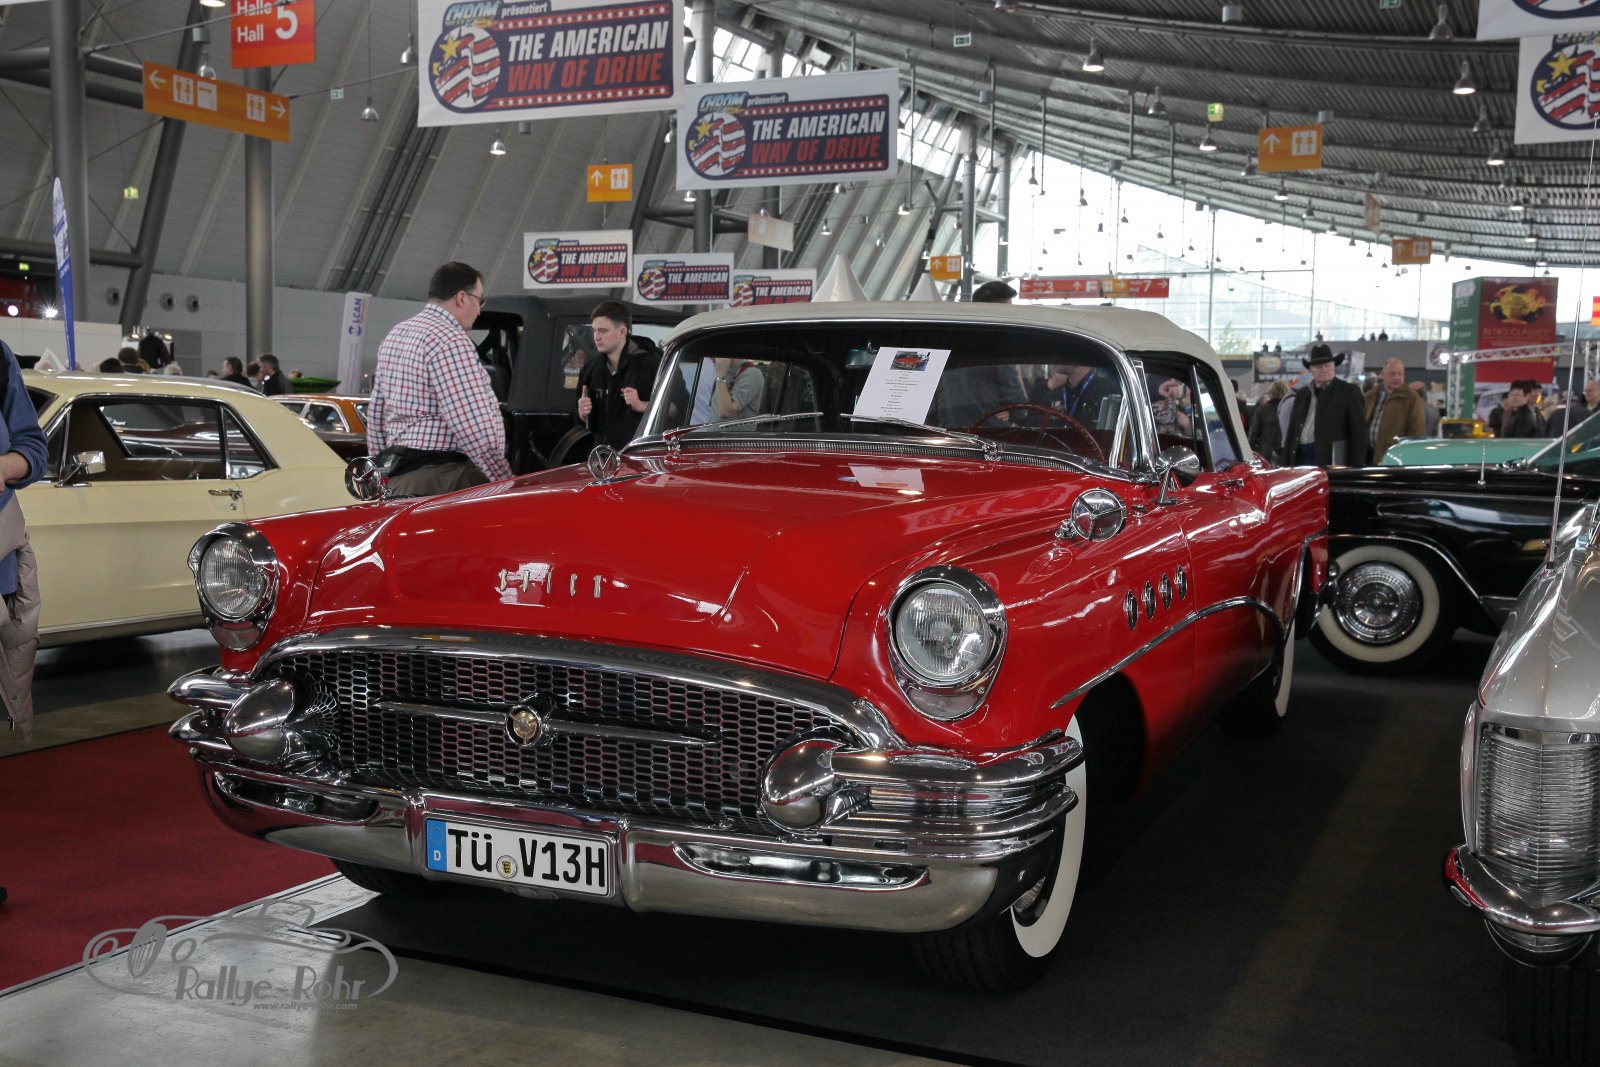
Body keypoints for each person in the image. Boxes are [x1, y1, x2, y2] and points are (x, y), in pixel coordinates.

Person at [367, 261, 511, 496]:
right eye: (480, 300)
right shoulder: (450, 340)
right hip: (442, 478)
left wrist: (381, 477)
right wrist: (503, 481)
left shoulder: (396, 334)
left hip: (396, 477)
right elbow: (471, 423)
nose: (479, 310)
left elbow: (376, 414)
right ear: (462, 298)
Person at [577, 300, 661, 448]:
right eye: (595, 330)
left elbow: (678, 407)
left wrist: (642, 405)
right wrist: (583, 414)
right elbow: (583, 421)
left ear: (622, 332)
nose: (596, 337)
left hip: (641, 454)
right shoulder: (590, 369)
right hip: (603, 456)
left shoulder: (653, 364)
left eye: (603, 331)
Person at [1279, 344, 1368, 467]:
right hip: (1300, 457)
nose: (1324, 369)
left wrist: (1355, 466)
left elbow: (1359, 432)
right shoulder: (1302, 394)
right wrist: (1285, 464)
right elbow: (1292, 431)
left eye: (1327, 365)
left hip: (1331, 460)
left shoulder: (1349, 391)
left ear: (1334, 367)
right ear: (1311, 370)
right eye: (1318, 366)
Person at [1364, 357, 1425, 463]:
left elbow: (1416, 432)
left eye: (1400, 374)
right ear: (1383, 374)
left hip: (1394, 459)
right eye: (1392, 374)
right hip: (1367, 456)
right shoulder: (1371, 396)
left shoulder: (1412, 398)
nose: (1397, 377)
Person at [711, 356, 765, 423]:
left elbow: (726, 411)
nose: (711, 358)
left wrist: (721, 376)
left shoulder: (752, 374)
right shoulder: (726, 371)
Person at [1248, 379, 1292, 459]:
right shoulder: (1290, 409)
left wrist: (1249, 451)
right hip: (1285, 451)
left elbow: (1254, 433)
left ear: (1271, 392)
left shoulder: (1262, 409)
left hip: (1265, 451)